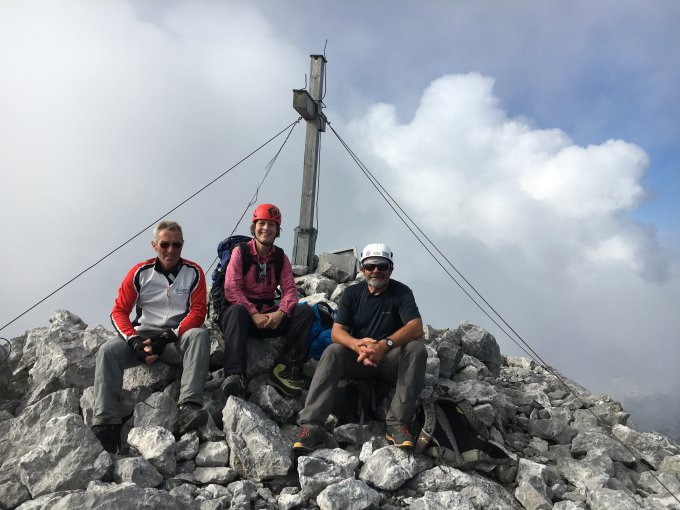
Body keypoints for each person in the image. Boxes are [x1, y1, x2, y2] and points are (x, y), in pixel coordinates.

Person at [293, 243, 427, 454]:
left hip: (388, 359)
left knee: (416, 350)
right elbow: (337, 332)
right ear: (362, 269)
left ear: (391, 269)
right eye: (370, 266)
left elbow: (416, 327)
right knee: (333, 351)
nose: (376, 271)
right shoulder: (352, 294)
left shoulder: (401, 293)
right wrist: (357, 345)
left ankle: (398, 424)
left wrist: (384, 345)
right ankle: (311, 426)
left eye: (382, 266)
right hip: (358, 358)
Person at [91, 220, 210, 453]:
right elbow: (118, 311)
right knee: (107, 351)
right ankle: (106, 424)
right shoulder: (140, 272)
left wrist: (166, 338)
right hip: (143, 336)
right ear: (154, 245)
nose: (171, 250)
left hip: (176, 339)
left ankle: (189, 406)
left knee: (199, 335)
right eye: (164, 244)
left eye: (176, 245)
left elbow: (198, 312)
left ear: (182, 245)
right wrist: (134, 341)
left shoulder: (193, 272)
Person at [219, 203, 313, 398]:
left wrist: (281, 313)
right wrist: (253, 313)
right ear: (254, 227)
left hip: (268, 317)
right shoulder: (241, 252)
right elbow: (231, 288)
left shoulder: (280, 257)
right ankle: (235, 375)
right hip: (241, 318)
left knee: (305, 312)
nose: (266, 228)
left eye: (271, 225)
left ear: (277, 230)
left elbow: (290, 291)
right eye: (261, 223)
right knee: (237, 311)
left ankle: (285, 369)